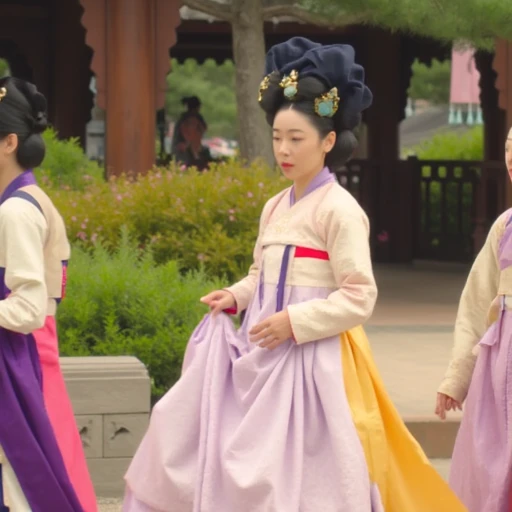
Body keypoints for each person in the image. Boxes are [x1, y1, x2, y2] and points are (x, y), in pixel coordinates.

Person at [123, 37, 465, 512]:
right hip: (263, 348)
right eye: (278, 137)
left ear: (328, 141)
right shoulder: (274, 206)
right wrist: (236, 297)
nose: (283, 149)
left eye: (296, 139)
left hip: (315, 361)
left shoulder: (340, 210)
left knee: (307, 474)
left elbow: (359, 297)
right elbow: (260, 275)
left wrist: (295, 322)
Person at [0, 77, 97, 511]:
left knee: (26, 476)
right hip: (28, 349)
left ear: (9, 142)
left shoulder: (16, 210)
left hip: (18, 351)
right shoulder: (26, 199)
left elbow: (27, 307)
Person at [436, 127, 512, 511]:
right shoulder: (505, 227)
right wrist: (458, 377)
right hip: (500, 369)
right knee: (494, 467)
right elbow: (475, 305)